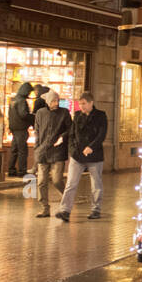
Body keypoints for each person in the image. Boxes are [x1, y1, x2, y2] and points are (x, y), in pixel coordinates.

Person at [57, 90, 107, 221]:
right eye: (80, 104)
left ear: (91, 103)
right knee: (70, 184)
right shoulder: (77, 115)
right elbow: (72, 134)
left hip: (94, 156)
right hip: (77, 156)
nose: (82, 106)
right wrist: (72, 150)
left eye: (84, 103)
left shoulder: (101, 116)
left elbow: (101, 135)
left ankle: (96, 210)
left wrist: (91, 147)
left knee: (96, 184)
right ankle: (65, 210)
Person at [33, 91, 71, 219]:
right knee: (41, 182)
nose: (56, 103)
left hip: (58, 152)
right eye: (54, 101)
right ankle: (45, 208)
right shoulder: (40, 113)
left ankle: (66, 201)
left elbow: (70, 129)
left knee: (57, 180)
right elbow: (37, 131)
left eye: (57, 101)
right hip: (43, 151)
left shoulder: (64, 113)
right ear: (48, 102)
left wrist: (62, 137)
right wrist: (36, 148)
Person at [7, 81, 34, 177]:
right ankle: (22, 171)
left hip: (14, 128)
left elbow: (10, 114)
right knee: (22, 150)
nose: (29, 94)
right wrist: (32, 117)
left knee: (14, 150)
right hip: (21, 128)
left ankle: (11, 170)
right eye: (29, 92)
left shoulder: (13, 99)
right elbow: (23, 114)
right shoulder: (22, 101)